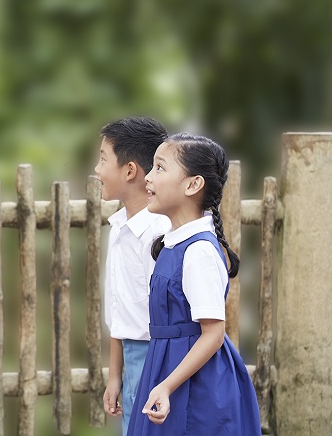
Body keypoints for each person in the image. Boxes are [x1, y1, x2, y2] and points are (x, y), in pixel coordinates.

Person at [127, 133, 260, 435]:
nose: (148, 177)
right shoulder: (172, 244)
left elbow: (213, 334)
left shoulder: (198, 251)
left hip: (196, 383)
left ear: (192, 184)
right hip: (167, 367)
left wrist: (167, 385)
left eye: (159, 168)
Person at [94, 117, 170, 436]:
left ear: (129, 171)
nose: (97, 170)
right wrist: (115, 376)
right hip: (131, 355)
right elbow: (120, 310)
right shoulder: (120, 226)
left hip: (159, 359)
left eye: (102, 159)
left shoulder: (159, 232)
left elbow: (169, 315)